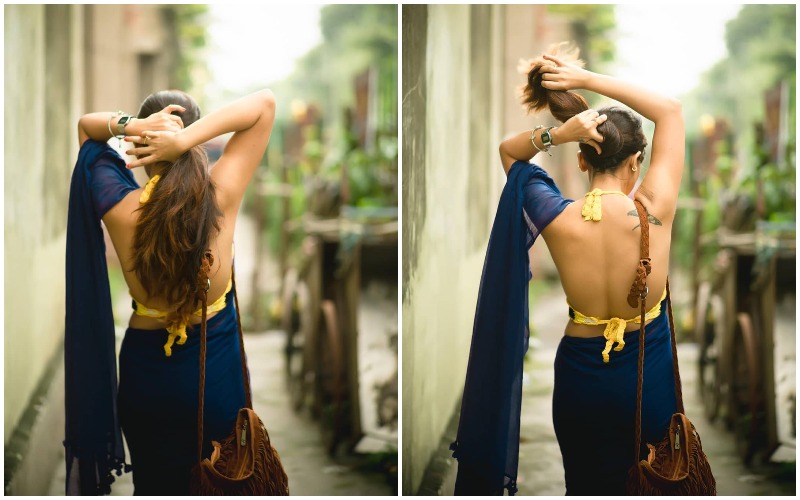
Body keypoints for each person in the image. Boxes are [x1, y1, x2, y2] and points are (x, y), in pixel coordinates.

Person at [450, 45, 684, 495]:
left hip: (581, 378)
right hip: (645, 373)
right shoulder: (655, 210)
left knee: (586, 484)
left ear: (582, 159)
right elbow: (670, 111)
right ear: (636, 162)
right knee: (656, 480)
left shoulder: (556, 216)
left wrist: (559, 134)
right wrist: (585, 79)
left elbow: (509, 153)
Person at [64, 89, 276, 495]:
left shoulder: (121, 206)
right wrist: (184, 138)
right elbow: (264, 104)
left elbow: (87, 130)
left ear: (140, 146)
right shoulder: (221, 196)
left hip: (147, 381)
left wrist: (136, 127)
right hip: (212, 372)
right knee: (222, 478)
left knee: (155, 485)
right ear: (197, 139)